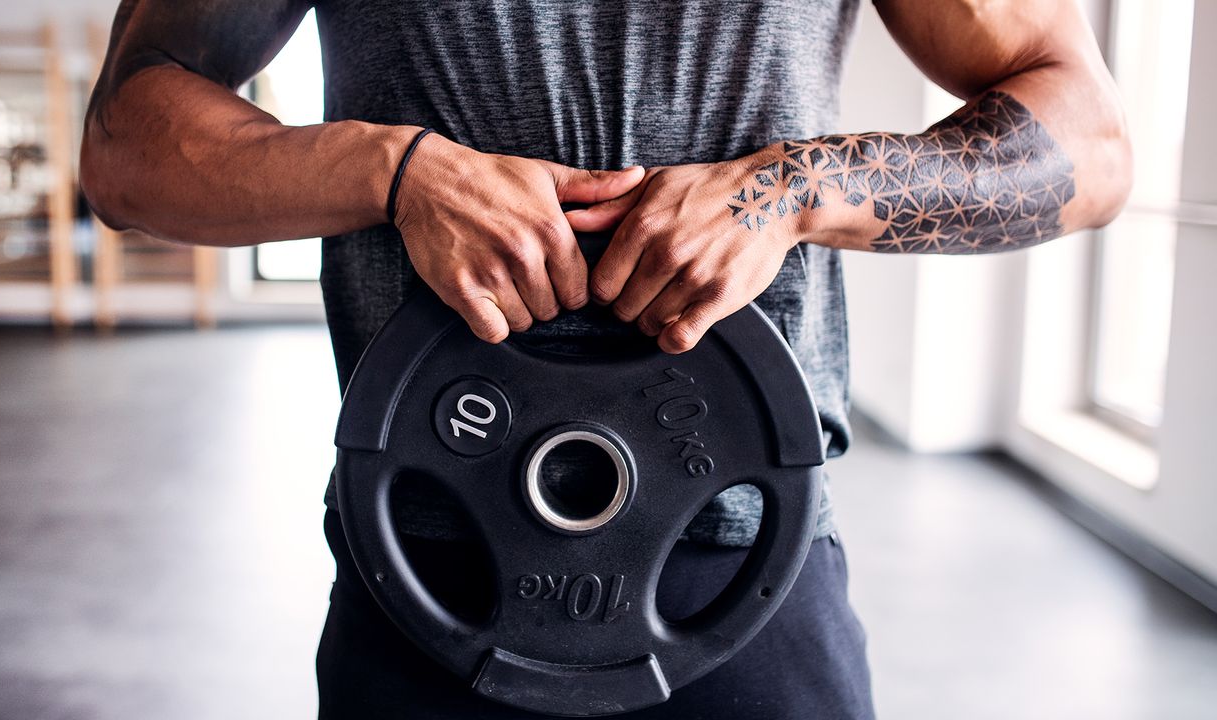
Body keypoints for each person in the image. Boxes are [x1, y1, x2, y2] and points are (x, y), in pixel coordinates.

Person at [80, 1, 1130, 717]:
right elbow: (126, 147)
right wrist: (391, 170)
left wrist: (793, 187)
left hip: (738, 561)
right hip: (433, 562)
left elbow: (1089, 147)